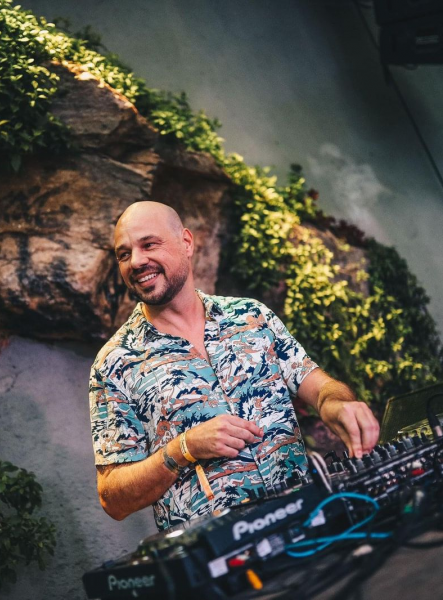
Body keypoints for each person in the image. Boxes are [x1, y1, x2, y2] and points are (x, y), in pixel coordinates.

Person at [89, 201, 380, 530]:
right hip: (220, 550)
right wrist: (183, 448)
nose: (136, 261)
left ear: (186, 242)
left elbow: (321, 387)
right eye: (124, 254)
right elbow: (113, 498)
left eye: (149, 245)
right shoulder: (114, 363)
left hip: (310, 524)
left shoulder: (251, 316)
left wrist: (337, 404)